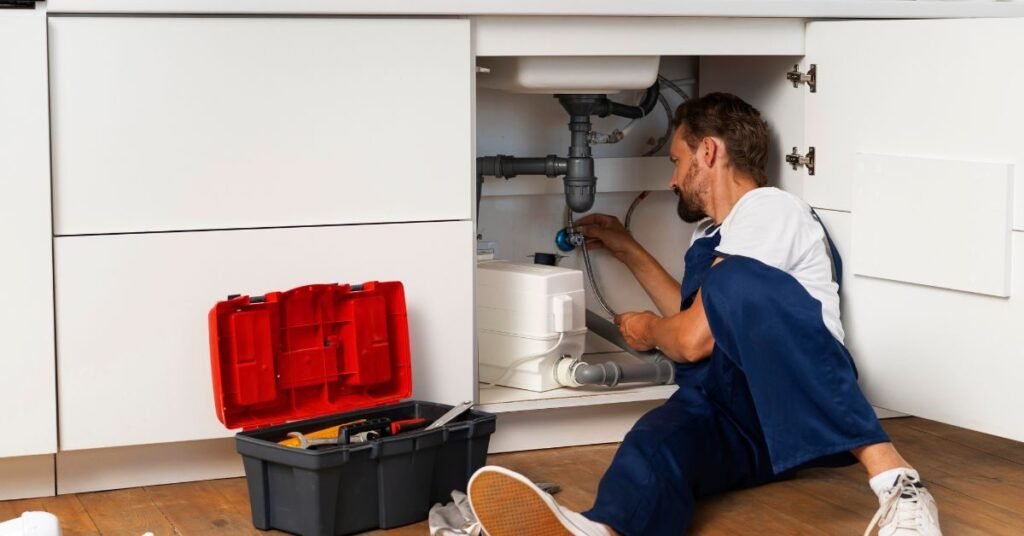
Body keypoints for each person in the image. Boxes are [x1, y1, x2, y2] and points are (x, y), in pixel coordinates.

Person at [466, 93, 942, 536]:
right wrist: (628, 248)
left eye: (676, 161)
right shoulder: (713, 235)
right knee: (653, 444)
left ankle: (899, 484)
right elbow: (697, 316)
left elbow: (694, 338)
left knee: (734, 282)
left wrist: (650, 329)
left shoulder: (770, 210)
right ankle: (605, 529)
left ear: (708, 152)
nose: (673, 179)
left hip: (794, 398)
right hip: (729, 414)